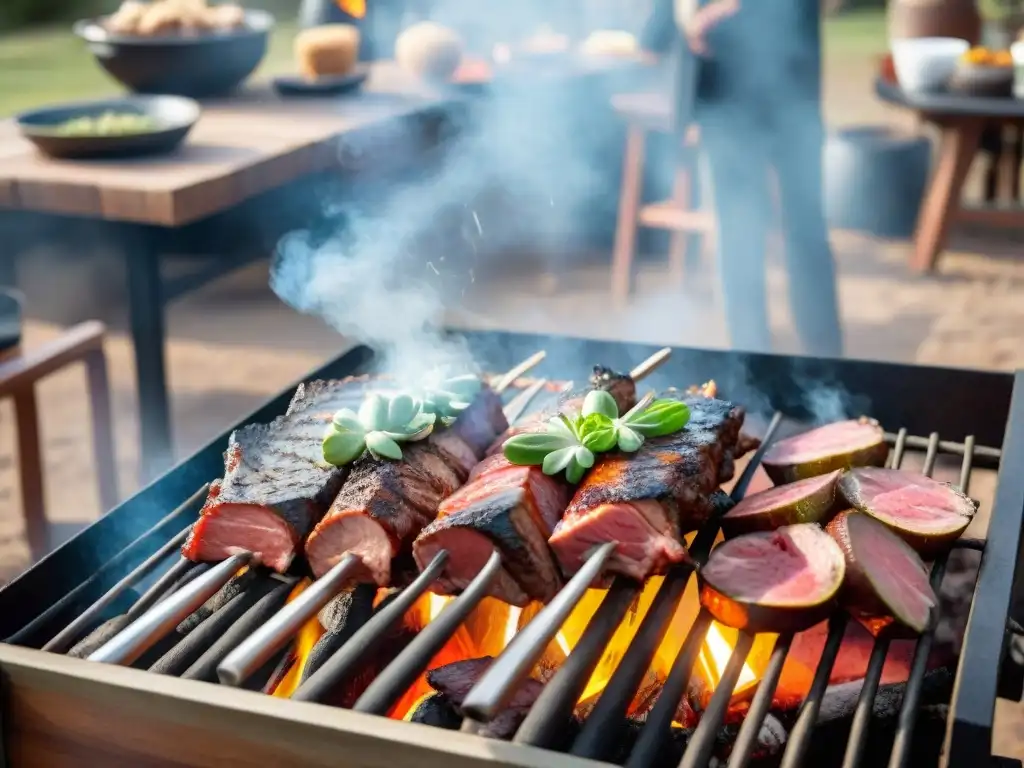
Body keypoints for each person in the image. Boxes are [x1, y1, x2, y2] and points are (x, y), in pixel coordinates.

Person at [640, 0, 844, 358]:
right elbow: (658, 35)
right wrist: (670, 28)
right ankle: (752, 360)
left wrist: (719, 12)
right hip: (725, 99)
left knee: (804, 227)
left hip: (791, 88)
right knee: (739, 234)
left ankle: (826, 360)